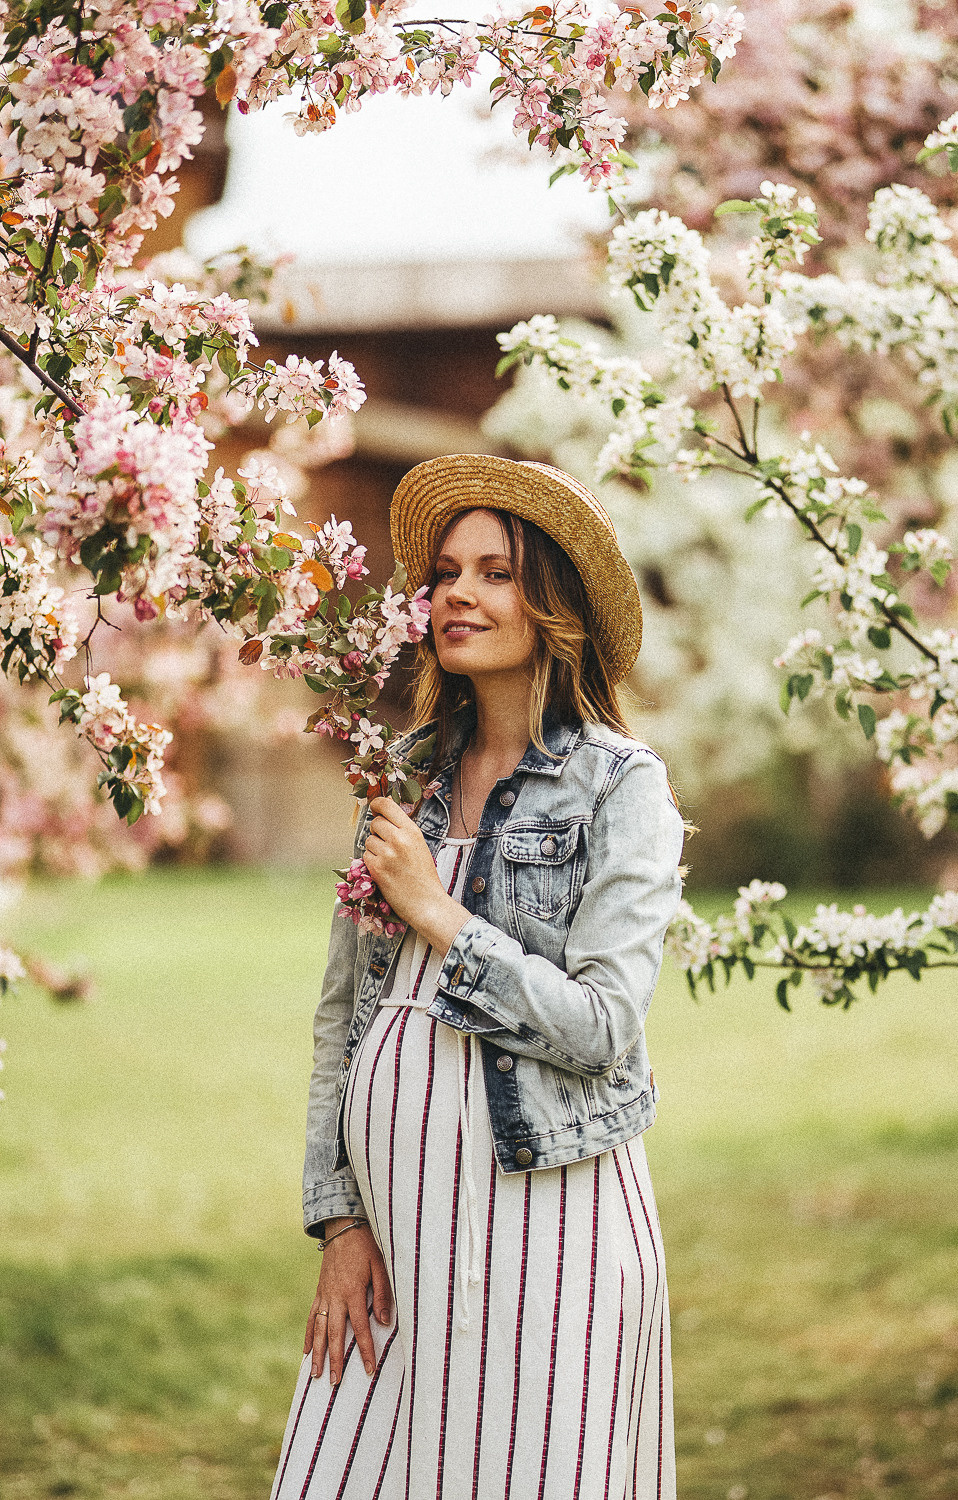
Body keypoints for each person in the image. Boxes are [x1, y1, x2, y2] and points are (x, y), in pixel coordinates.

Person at [270, 454, 687, 1500]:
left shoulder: (619, 786)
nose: (457, 593)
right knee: (341, 1472)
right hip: (398, 1222)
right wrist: (342, 1220)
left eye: (495, 572)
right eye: (446, 572)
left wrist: (441, 917)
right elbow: (342, 1022)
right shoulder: (404, 773)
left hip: (547, 1214)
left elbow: (602, 1027)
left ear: (552, 603)